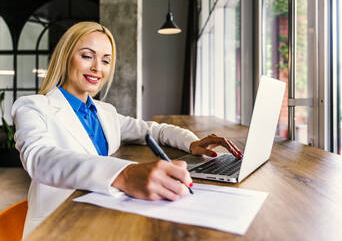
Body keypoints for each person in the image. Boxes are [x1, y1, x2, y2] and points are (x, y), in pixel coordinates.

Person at [11, 22, 242, 238]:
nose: (97, 68)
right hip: (59, 228)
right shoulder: (32, 106)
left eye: (106, 60)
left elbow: (154, 130)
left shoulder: (106, 112)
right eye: (87, 56)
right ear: (65, 58)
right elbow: (40, 158)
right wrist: (125, 173)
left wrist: (191, 143)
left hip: (104, 215)